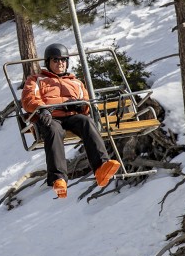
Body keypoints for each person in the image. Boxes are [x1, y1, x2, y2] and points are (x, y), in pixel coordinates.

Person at [21, 43, 121, 199]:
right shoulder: (36, 80)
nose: (60, 63)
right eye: (56, 60)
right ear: (48, 62)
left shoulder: (76, 82)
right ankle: (58, 179)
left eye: (63, 60)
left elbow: (86, 103)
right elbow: (28, 100)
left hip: (71, 116)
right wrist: (42, 109)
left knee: (86, 122)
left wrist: (81, 105)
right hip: (49, 117)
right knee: (54, 130)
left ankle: (101, 167)